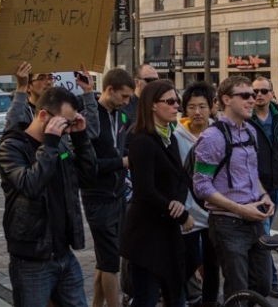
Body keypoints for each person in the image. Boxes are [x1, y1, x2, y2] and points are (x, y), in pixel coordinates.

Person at [0, 87, 97, 307]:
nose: (67, 130)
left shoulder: (61, 143)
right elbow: (31, 185)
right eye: (65, 123)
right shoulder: (11, 147)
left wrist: (81, 138)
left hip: (63, 253)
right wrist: (49, 143)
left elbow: (88, 176)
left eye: (70, 124)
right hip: (32, 257)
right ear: (43, 115)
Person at [193, 76, 274, 299]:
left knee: (262, 286)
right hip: (227, 224)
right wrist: (239, 209)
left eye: (254, 95)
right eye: (245, 95)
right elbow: (201, 186)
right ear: (226, 99)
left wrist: (264, 195)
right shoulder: (212, 137)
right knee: (238, 292)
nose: (253, 99)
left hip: (254, 220)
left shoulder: (250, 131)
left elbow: (252, 174)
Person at [119, 80, 190, 307]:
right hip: (147, 236)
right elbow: (145, 191)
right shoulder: (142, 141)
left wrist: (179, 202)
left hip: (168, 231)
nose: (176, 106)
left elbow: (182, 177)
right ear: (152, 105)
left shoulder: (170, 137)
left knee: (177, 296)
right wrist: (180, 214)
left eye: (177, 101)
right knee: (146, 299)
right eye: (169, 102)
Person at [81, 68, 134, 307]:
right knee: (111, 260)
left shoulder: (122, 116)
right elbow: (88, 164)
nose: (127, 101)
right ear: (109, 90)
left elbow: (122, 149)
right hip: (97, 195)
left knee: (105, 260)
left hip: (118, 193)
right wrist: (121, 162)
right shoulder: (90, 117)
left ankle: (96, 305)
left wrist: (126, 160)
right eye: (123, 96)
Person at [175, 81, 220, 307]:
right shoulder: (176, 136)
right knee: (189, 260)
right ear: (185, 109)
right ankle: (178, 298)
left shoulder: (219, 134)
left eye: (202, 106)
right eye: (192, 107)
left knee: (213, 264)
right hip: (189, 213)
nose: (197, 112)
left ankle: (209, 302)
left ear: (211, 107)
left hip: (214, 211)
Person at [247, 77, 278, 299]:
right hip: (256, 187)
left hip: (277, 183)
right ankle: (271, 281)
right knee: (264, 233)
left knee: (264, 233)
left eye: (264, 91)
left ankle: (257, 275)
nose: (259, 95)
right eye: (255, 91)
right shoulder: (247, 118)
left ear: (272, 93)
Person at [123, 64, 159, 135]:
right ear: (137, 82)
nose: (155, 84)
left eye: (157, 80)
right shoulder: (126, 105)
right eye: (150, 80)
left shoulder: (161, 104)